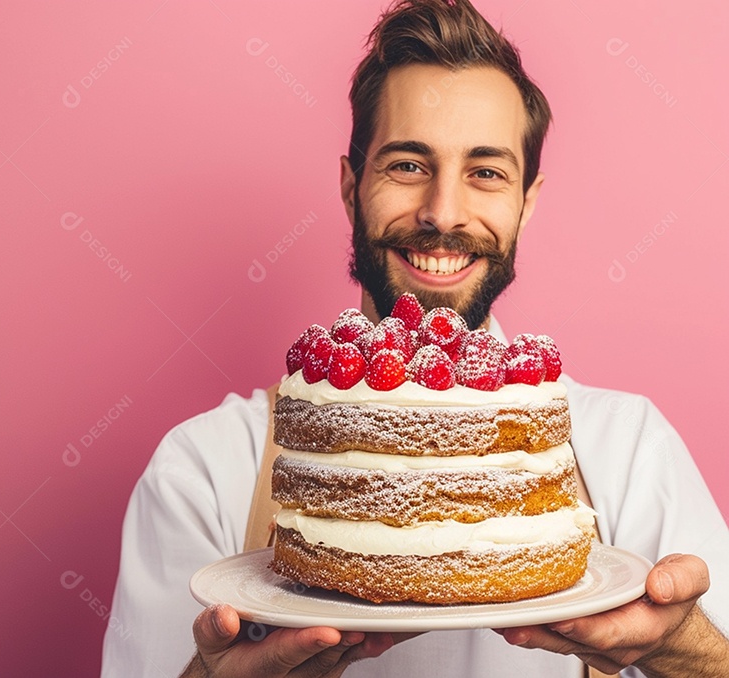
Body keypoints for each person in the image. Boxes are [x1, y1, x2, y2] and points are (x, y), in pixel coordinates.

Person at [101, 1, 729, 676]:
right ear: (351, 185)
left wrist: (681, 646)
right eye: (407, 164)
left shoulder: (631, 449)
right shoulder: (201, 469)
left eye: (486, 172)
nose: (443, 212)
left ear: (527, 201)